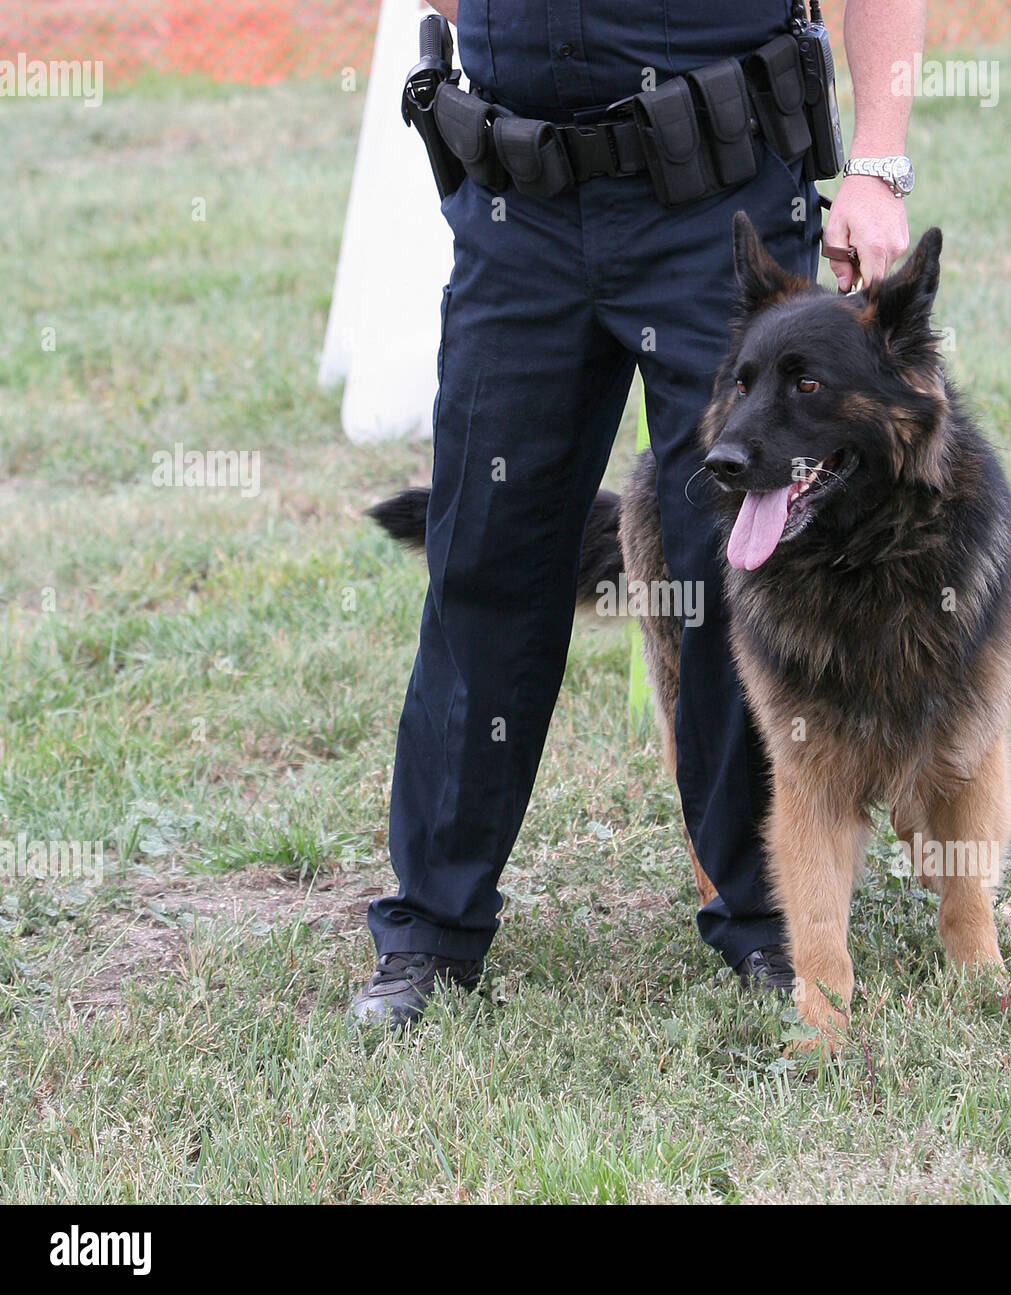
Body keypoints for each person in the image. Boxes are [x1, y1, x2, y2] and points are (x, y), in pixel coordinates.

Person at [350, 0, 927, 1027]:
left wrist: (878, 166)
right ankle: (429, 931)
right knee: (484, 556)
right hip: (514, 200)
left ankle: (763, 914)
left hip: (716, 200)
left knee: (735, 559)